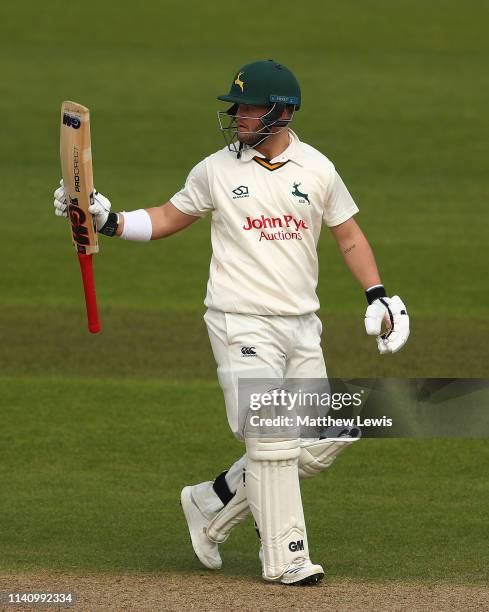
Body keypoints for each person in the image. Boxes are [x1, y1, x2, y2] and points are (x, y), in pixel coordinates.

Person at [53, 60, 410, 586]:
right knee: (270, 438)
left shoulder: (317, 169)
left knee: (320, 440)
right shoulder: (215, 170)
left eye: (249, 107)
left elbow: (349, 235)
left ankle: (212, 501)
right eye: (236, 107)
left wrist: (379, 295)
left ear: (282, 112)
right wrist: (108, 219)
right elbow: (168, 218)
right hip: (239, 321)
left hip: (301, 323)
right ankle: (287, 557)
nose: (238, 117)